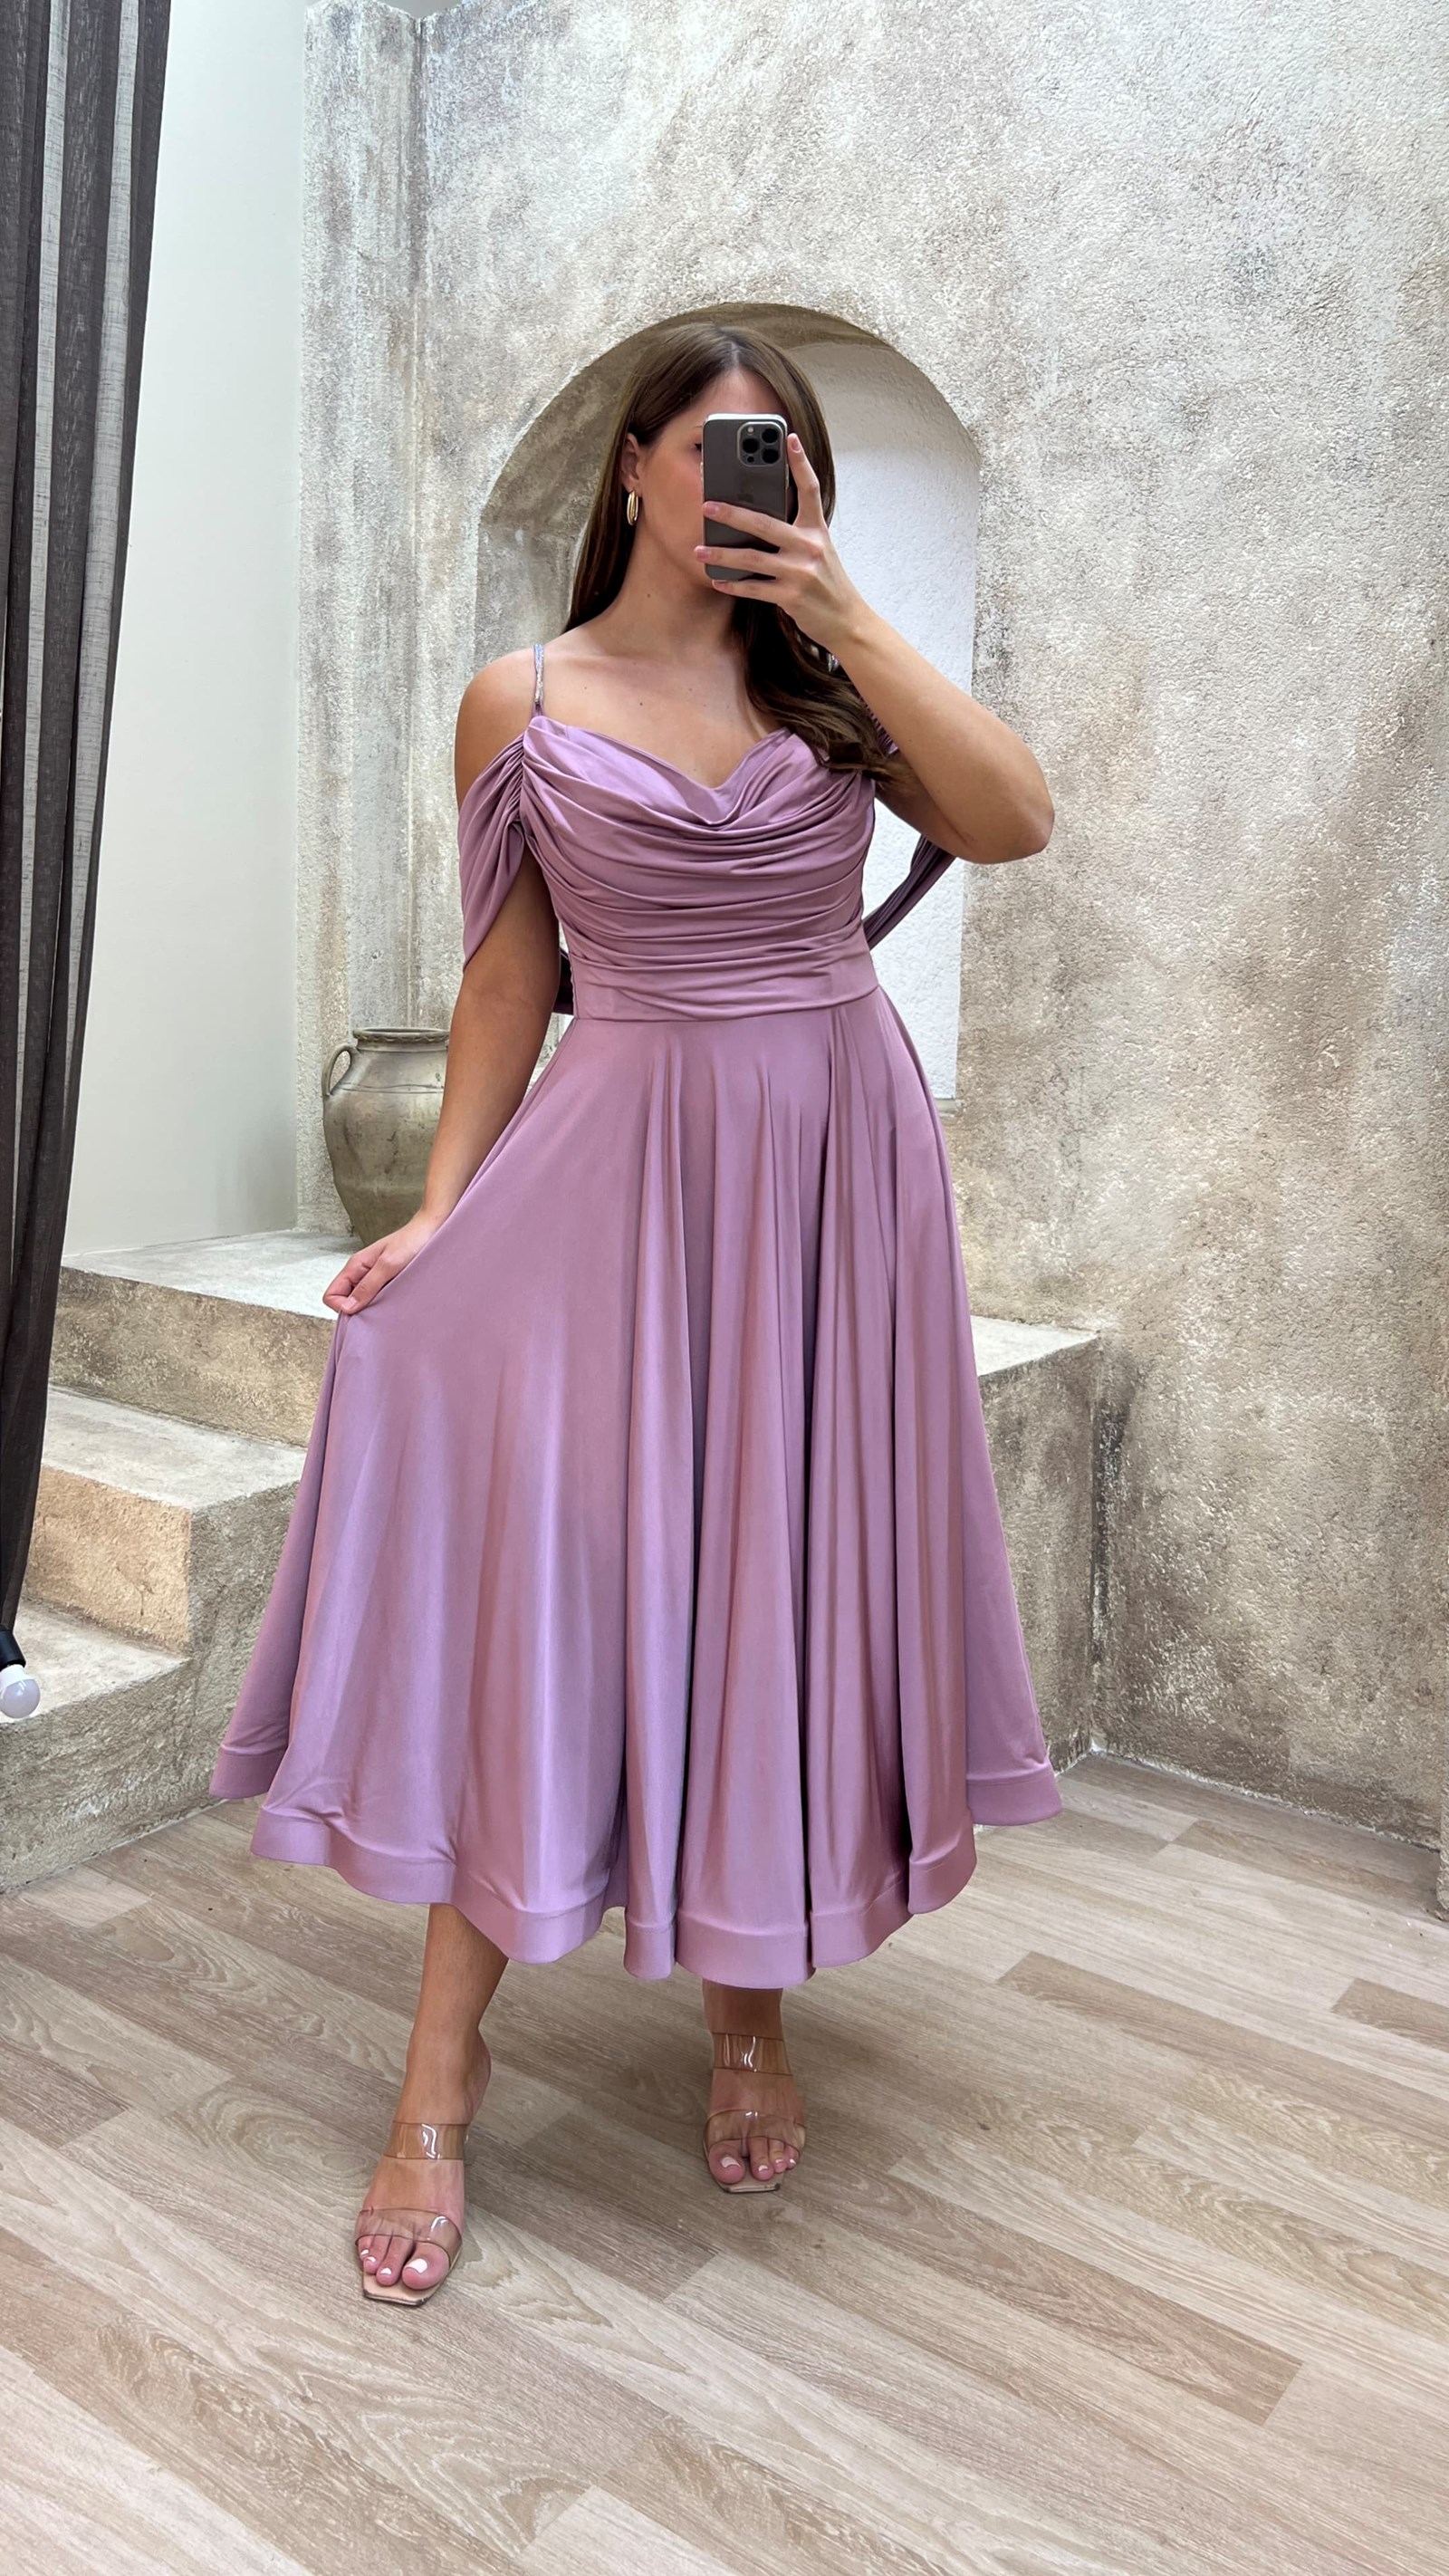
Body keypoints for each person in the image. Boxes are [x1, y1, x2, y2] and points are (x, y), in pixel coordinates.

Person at [206, 319, 1062, 2307]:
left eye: (787, 458)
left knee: (770, 1577)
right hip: (618, 1160)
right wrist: (441, 1214)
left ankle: (748, 2010)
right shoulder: (520, 698)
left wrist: (839, 607)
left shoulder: (829, 678)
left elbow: (1014, 818)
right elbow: (510, 975)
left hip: (833, 1168)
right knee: (560, 1590)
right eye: (721, 449)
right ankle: (440, 2073)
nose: (750, 484)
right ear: (635, 468)